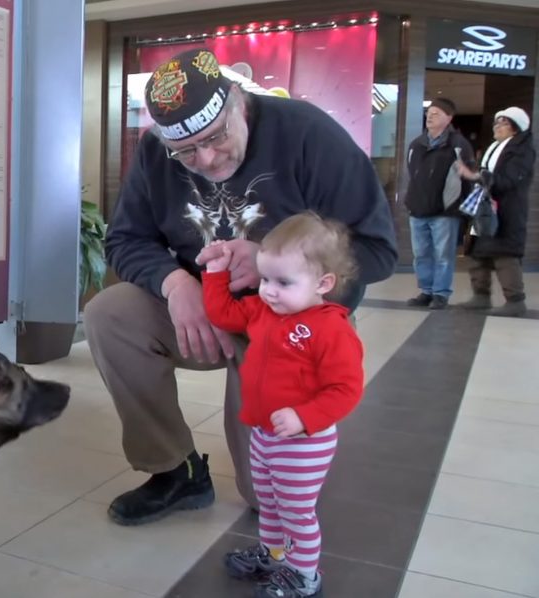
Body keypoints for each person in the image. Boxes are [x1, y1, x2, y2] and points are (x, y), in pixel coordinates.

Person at [83, 47, 396, 525]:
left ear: (238, 102)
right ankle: (175, 469)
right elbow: (125, 239)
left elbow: (376, 249)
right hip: (207, 305)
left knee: (264, 493)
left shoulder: (308, 134)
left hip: (293, 317)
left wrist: (280, 265)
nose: (205, 159)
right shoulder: (154, 152)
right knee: (110, 315)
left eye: (215, 137)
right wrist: (174, 285)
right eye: (185, 151)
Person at [202, 212, 363, 598]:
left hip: (304, 443)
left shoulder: (331, 329)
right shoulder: (263, 312)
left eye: (283, 282)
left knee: (296, 513)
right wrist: (217, 273)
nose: (269, 291)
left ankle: (305, 576)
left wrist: (305, 417)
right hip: (264, 433)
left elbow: (347, 388)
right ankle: (275, 556)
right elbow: (222, 313)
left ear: (323, 283)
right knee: (270, 505)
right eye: (265, 280)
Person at [455, 106, 535, 317]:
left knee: (504, 255)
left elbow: (510, 180)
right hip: (483, 209)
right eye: (496, 122)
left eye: (504, 123)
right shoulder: (495, 148)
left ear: (516, 128)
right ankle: (480, 296)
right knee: (477, 252)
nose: (497, 126)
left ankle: (515, 301)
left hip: (507, 210)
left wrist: (475, 177)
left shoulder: (522, 150)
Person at [403, 98, 475, 310]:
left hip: (445, 211)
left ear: (449, 118)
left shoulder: (459, 145)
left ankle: (441, 293)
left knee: (443, 255)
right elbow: (412, 173)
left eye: (436, 112)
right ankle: (426, 291)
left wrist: (462, 208)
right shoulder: (416, 144)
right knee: (421, 254)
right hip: (417, 209)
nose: (430, 115)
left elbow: (468, 177)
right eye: (429, 112)